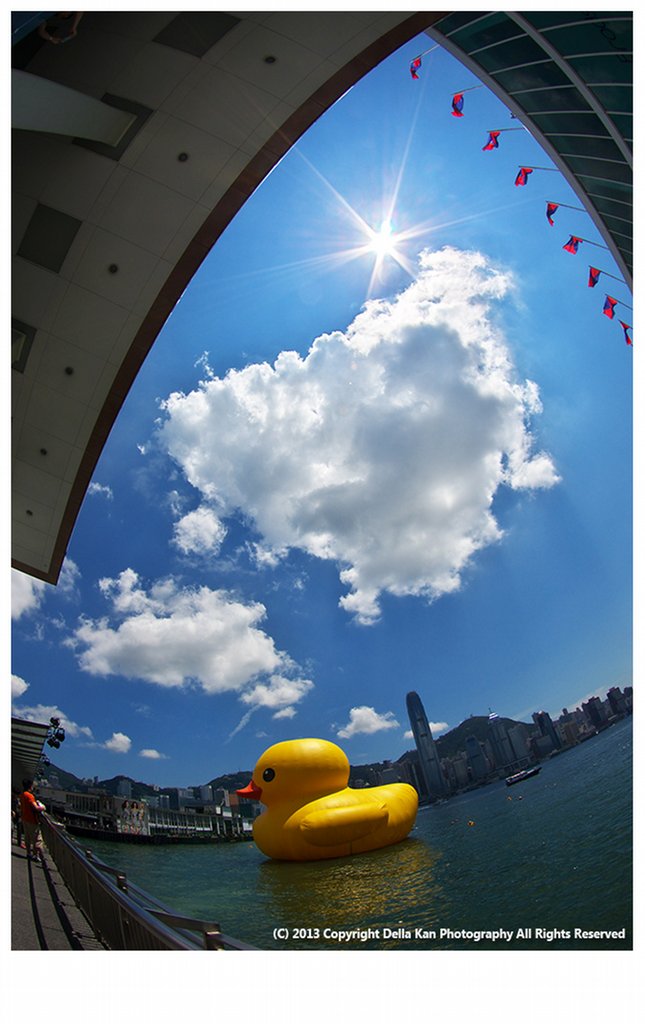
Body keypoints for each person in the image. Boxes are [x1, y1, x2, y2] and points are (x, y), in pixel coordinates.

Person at [19, 779, 45, 862]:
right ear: (30, 786)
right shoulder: (30, 796)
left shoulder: (22, 795)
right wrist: (43, 807)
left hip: (24, 818)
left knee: (27, 837)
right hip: (32, 820)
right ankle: (40, 858)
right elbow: (36, 808)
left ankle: (28, 853)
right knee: (37, 840)